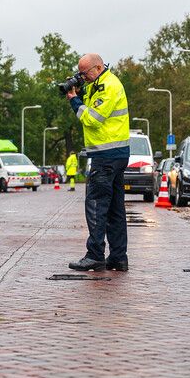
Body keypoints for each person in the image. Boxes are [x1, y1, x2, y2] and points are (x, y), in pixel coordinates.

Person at [65, 53, 130, 272]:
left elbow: (92, 119)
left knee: (95, 205)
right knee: (114, 208)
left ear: (99, 67)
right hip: (115, 154)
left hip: (107, 156)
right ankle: (118, 257)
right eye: (80, 74)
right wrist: (79, 91)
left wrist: (74, 101)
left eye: (85, 73)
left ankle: (94, 255)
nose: (83, 77)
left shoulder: (109, 86)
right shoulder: (99, 83)